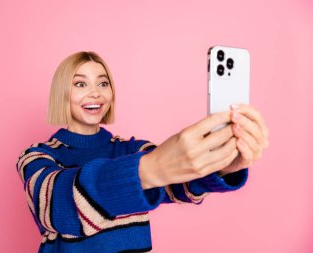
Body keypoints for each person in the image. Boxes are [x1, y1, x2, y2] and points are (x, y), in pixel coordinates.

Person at [16, 51, 269, 253]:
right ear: (62, 92)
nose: (95, 92)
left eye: (103, 83)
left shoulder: (132, 149)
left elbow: (179, 185)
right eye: (80, 83)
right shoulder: (37, 157)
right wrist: (149, 170)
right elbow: (55, 205)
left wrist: (223, 166)